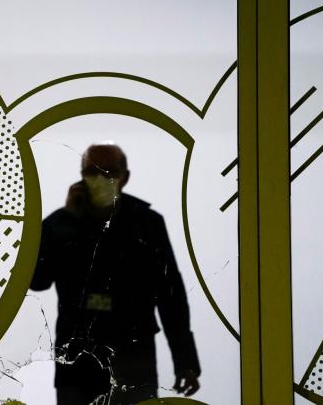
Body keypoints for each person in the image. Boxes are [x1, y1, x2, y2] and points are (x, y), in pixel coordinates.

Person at [30, 143, 200, 405]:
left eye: (108, 171)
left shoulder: (147, 223)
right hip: (78, 359)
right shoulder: (60, 223)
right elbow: (38, 281)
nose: (99, 178)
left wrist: (185, 361)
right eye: (91, 171)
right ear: (81, 176)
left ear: (124, 177)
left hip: (132, 355)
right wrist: (66, 223)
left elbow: (171, 295)